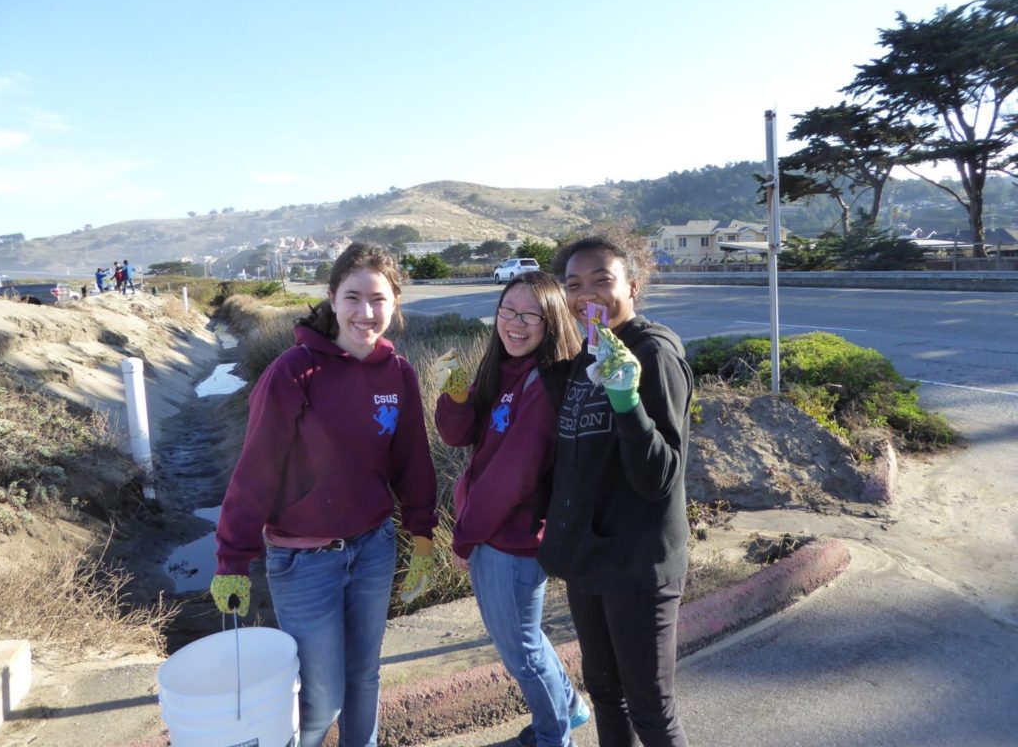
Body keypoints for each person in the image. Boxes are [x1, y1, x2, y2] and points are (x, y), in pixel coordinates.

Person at [210, 243, 439, 747]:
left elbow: (413, 460)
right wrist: (233, 559)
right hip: (303, 561)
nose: (366, 313)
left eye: (378, 299)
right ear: (332, 298)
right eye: (353, 297)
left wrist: (422, 535)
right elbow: (256, 471)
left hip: (374, 548)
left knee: (365, 678)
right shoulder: (294, 371)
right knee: (322, 697)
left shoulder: (397, 373)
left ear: (395, 302)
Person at [538, 233, 695, 747]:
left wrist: (628, 403)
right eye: (574, 285)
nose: (587, 295)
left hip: (638, 563)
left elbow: (659, 477)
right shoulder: (587, 356)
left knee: (650, 709)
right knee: (605, 694)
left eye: (601, 280)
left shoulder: (652, 353)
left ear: (633, 284)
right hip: (589, 558)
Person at [433, 272, 588, 747]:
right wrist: (455, 394)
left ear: (551, 321)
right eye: (506, 311)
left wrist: (464, 535)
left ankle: (552, 736)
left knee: (520, 650)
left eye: (528, 315)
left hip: (513, 542)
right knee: (526, 641)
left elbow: (512, 478)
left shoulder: (542, 385)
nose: (514, 324)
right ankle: (571, 709)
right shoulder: (500, 369)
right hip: (493, 535)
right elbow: (459, 437)